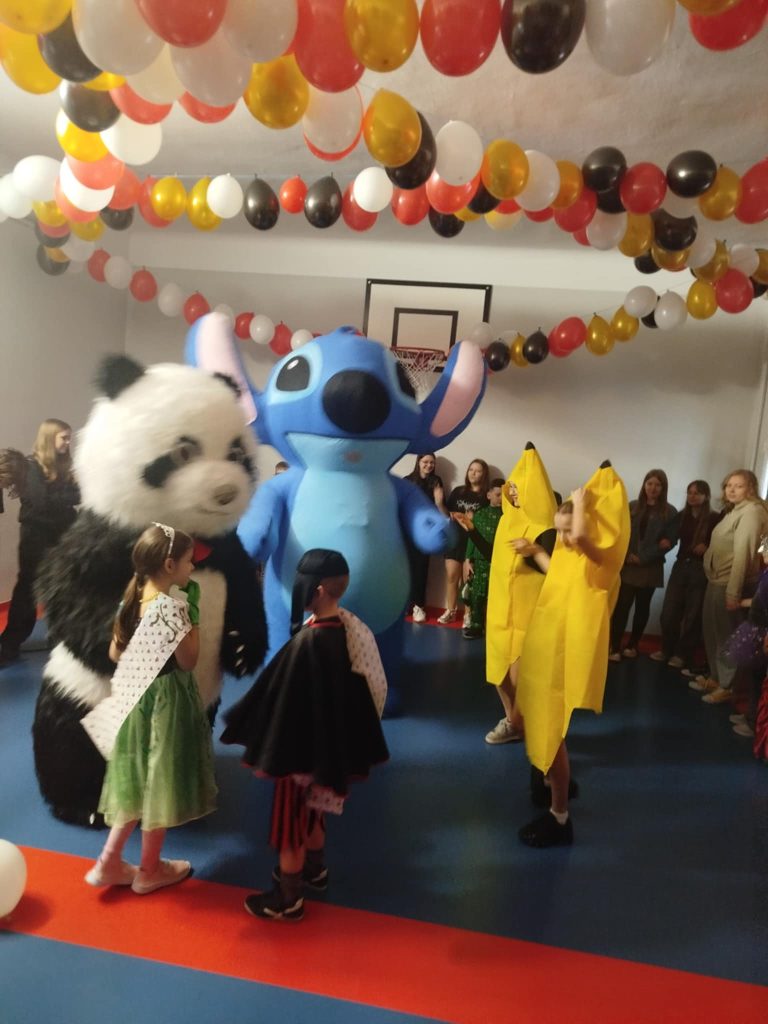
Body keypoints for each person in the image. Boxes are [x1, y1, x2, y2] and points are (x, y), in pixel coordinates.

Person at [220, 549, 389, 922]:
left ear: (319, 590)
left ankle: (288, 896)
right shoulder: (347, 630)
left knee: (289, 825)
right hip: (323, 752)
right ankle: (315, 869)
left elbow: (283, 699)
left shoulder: (310, 642)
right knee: (315, 811)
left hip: (297, 755)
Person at [81, 523, 216, 894]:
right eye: (188, 561)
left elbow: (115, 653)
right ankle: (150, 869)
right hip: (166, 703)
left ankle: (109, 862)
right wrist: (192, 617)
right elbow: (188, 661)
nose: (192, 568)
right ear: (170, 565)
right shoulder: (172, 609)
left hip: (134, 702)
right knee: (160, 783)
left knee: (134, 784)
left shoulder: (133, 597)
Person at [514, 464, 630, 847]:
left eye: (567, 530)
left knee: (552, 731)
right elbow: (556, 572)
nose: (563, 538)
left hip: (565, 657)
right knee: (541, 722)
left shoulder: (600, 560)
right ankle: (552, 781)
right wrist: (536, 551)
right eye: (559, 531)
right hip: (548, 649)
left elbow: (580, 537)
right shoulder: (569, 554)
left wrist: (579, 504)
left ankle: (560, 816)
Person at [0, 419, 79, 667]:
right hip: (36, 539)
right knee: (27, 591)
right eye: (64, 437)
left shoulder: (62, 466)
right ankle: (9, 645)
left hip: (62, 537)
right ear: (49, 438)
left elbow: (75, 495)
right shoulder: (31, 466)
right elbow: (41, 501)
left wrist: (65, 495)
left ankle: (61, 642)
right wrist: (67, 495)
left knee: (63, 589)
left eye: (69, 438)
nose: (68, 442)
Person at [693, 470, 768, 705]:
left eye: (739, 486)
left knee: (727, 635)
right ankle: (717, 678)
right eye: (729, 485)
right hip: (717, 580)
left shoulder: (752, 512)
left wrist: (733, 593)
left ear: (751, 488)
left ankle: (727, 685)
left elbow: (744, 555)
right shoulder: (735, 510)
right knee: (713, 631)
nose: (732, 490)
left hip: (729, 583)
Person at [650, 481, 720, 673]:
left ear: (706, 495)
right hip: (681, 565)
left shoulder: (714, 518)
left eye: (697, 493)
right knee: (669, 612)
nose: (692, 496)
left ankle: (682, 655)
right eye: (689, 492)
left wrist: (708, 546)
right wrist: (665, 541)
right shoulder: (681, 516)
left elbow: (721, 543)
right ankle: (667, 649)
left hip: (700, 568)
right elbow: (669, 535)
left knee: (692, 615)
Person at [609, 469, 676, 661]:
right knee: (622, 607)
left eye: (657, 485)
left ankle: (633, 645)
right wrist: (627, 555)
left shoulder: (669, 512)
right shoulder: (632, 506)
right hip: (628, 566)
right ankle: (614, 646)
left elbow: (668, 542)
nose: (653, 488)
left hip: (650, 568)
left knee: (642, 608)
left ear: (663, 488)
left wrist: (643, 557)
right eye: (650, 483)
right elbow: (621, 533)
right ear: (644, 485)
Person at [439, 459, 490, 627]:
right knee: (451, 577)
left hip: (472, 543)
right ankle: (450, 610)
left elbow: (484, 523)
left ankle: (468, 615)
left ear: (484, 474)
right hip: (455, 540)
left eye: (478, 471)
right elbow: (447, 513)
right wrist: (453, 514)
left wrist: (471, 520)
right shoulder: (458, 491)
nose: (473, 473)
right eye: (471, 470)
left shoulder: (486, 496)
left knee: (469, 581)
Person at [404, 453, 446, 622]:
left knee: (421, 569)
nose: (429, 465)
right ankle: (405, 604)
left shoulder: (436, 481)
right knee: (405, 570)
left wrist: (439, 502)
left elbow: (440, 510)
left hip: (427, 533)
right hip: (408, 531)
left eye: (432, 462)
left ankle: (419, 606)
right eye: (425, 462)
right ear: (418, 462)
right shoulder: (408, 480)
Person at [462, 479, 505, 639]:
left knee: (498, 596)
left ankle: (495, 628)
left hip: (501, 562)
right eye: (498, 495)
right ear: (489, 495)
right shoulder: (480, 515)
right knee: (478, 595)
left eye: (504, 495)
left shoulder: (508, 516)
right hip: (480, 561)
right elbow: (473, 538)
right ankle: (476, 625)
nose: (501, 498)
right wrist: (468, 559)